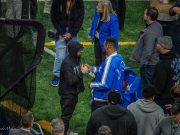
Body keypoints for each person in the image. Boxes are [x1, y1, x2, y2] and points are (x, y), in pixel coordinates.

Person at [51, 0, 84, 86]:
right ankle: (57, 75)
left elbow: (80, 19)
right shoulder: (57, 2)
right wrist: (62, 32)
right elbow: (54, 18)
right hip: (60, 32)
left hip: (73, 32)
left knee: (73, 54)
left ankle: (71, 73)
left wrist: (71, 33)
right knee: (60, 56)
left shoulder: (79, 2)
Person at [87, 37, 125, 112]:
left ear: (108, 47)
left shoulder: (110, 62)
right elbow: (103, 71)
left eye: (104, 45)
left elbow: (105, 84)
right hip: (115, 97)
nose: (102, 47)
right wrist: (90, 69)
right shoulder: (119, 58)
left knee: (97, 122)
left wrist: (91, 85)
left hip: (103, 99)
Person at [130, 6, 163, 89]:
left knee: (148, 88)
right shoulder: (158, 25)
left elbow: (148, 51)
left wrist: (142, 64)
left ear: (148, 17)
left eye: (145, 14)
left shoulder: (149, 33)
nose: (143, 15)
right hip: (155, 61)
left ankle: (149, 101)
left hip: (149, 65)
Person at [59, 41, 85, 135]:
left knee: (68, 115)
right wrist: (81, 72)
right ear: (74, 51)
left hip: (74, 93)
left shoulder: (76, 59)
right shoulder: (67, 63)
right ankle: (64, 133)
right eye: (79, 50)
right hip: (67, 95)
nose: (81, 51)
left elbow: (76, 74)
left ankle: (66, 130)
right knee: (65, 117)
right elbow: (70, 81)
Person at [153, 36, 180, 112]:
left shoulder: (162, 65)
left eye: (158, 43)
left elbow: (159, 86)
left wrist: (153, 98)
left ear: (163, 47)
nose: (156, 45)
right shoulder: (178, 57)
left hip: (164, 101)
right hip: (176, 96)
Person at [89, 0, 119, 66]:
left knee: (105, 63)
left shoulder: (113, 20)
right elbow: (94, 23)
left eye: (99, 7)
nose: (97, 8)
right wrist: (91, 34)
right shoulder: (97, 13)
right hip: (97, 40)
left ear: (104, 9)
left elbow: (114, 36)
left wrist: (111, 49)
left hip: (106, 46)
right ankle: (98, 74)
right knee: (97, 59)